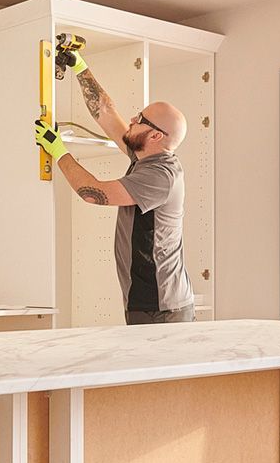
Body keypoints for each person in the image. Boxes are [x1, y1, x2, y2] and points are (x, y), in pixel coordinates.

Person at [32, 52, 195, 324]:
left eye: (140, 119)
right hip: (150, 301)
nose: (132, 119)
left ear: (155, 135)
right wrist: (79, 66)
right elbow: (106, 112)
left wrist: (58, 150)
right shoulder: (144, 156)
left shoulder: (160, 175)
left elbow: (93, 193)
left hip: (161, 306)